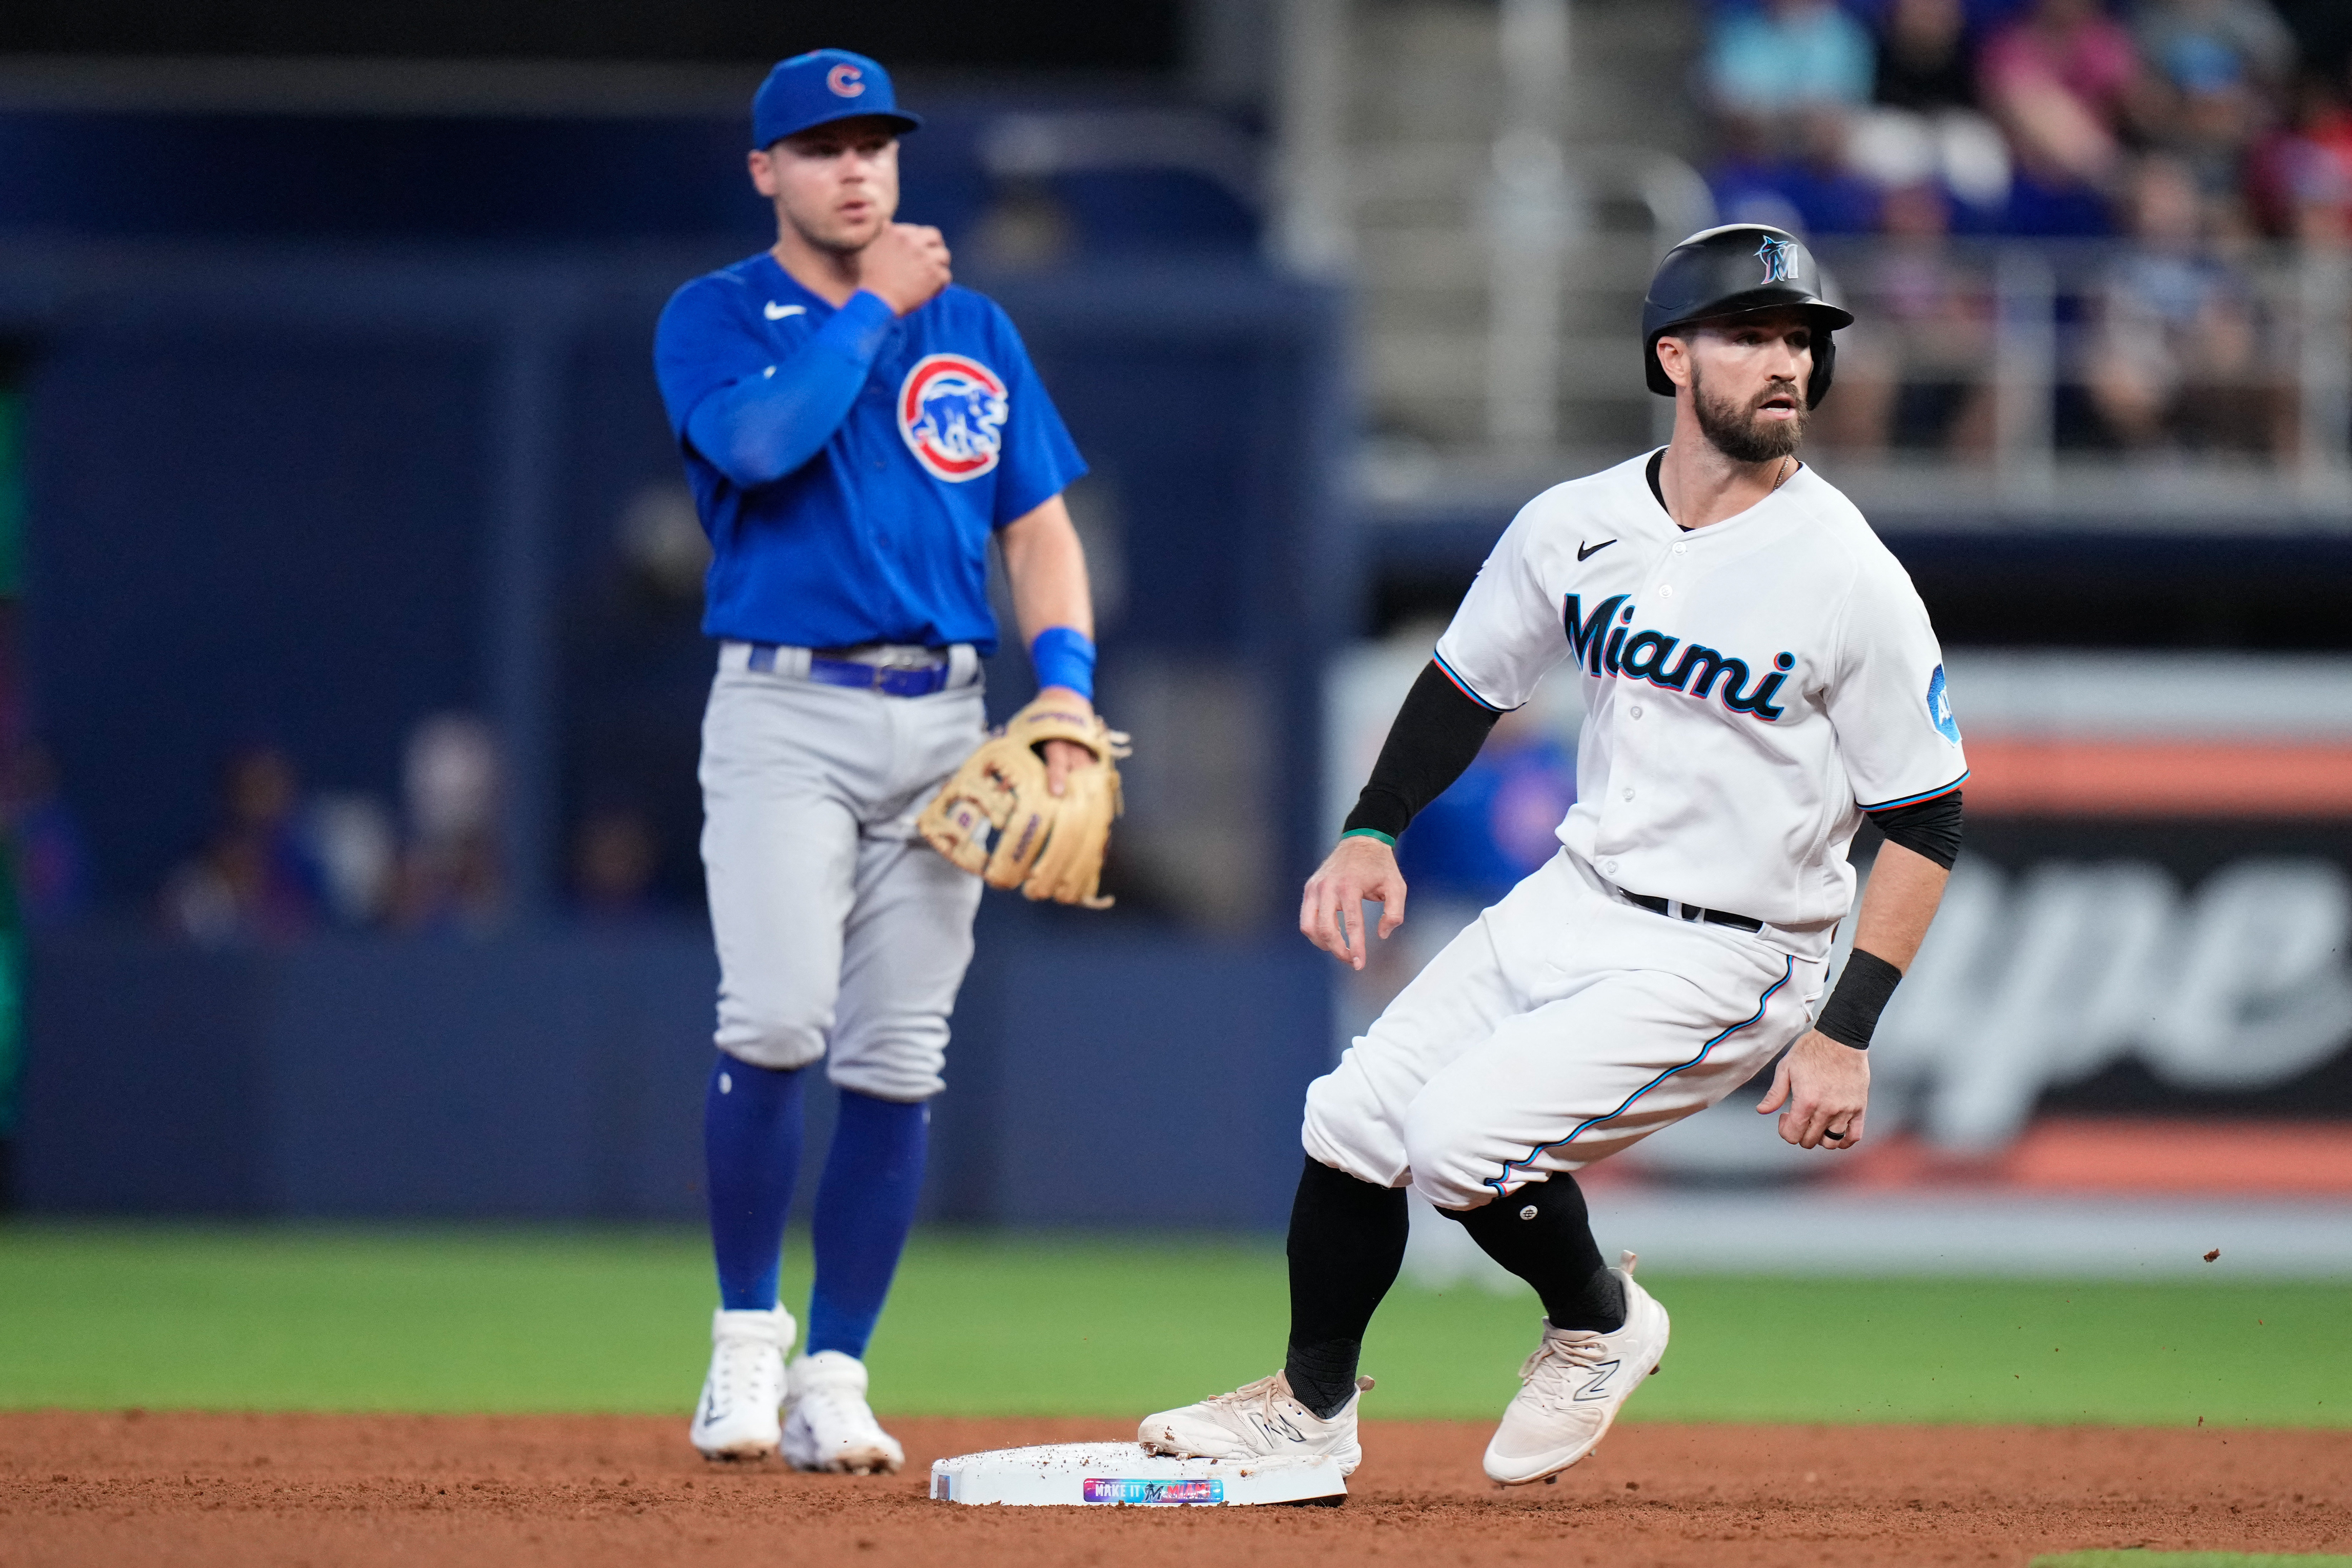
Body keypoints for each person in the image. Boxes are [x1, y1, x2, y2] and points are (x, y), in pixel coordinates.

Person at [1135, 225, 1968, 1487]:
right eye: (1751, 335)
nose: (1786, 362)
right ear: (1672, 358)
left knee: (1464, 1142)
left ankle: (1600, 1322)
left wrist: (1844, 1031)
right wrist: (1372, 831)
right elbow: (1468, 683)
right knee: (1351, 1120)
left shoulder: (1850, 575)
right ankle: (1308, 1416)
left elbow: (1927, 816)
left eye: (1802, 340)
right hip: (1576, 896)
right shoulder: (1573, 523)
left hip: (1736, 951)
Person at [652, 50, 1098, 1471]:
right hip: (783, 712)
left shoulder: (972, 324)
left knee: (899, 1055)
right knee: (776, 1018)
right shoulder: (718, 315)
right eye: (821, 147)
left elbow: (1034, 528)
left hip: (942, 716)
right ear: (764, 172)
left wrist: (1070, 695)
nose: (856, 169)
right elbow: (763, 444)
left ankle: (835, 1372)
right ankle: (742, 1347)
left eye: (875, 145)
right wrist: (867, 312)